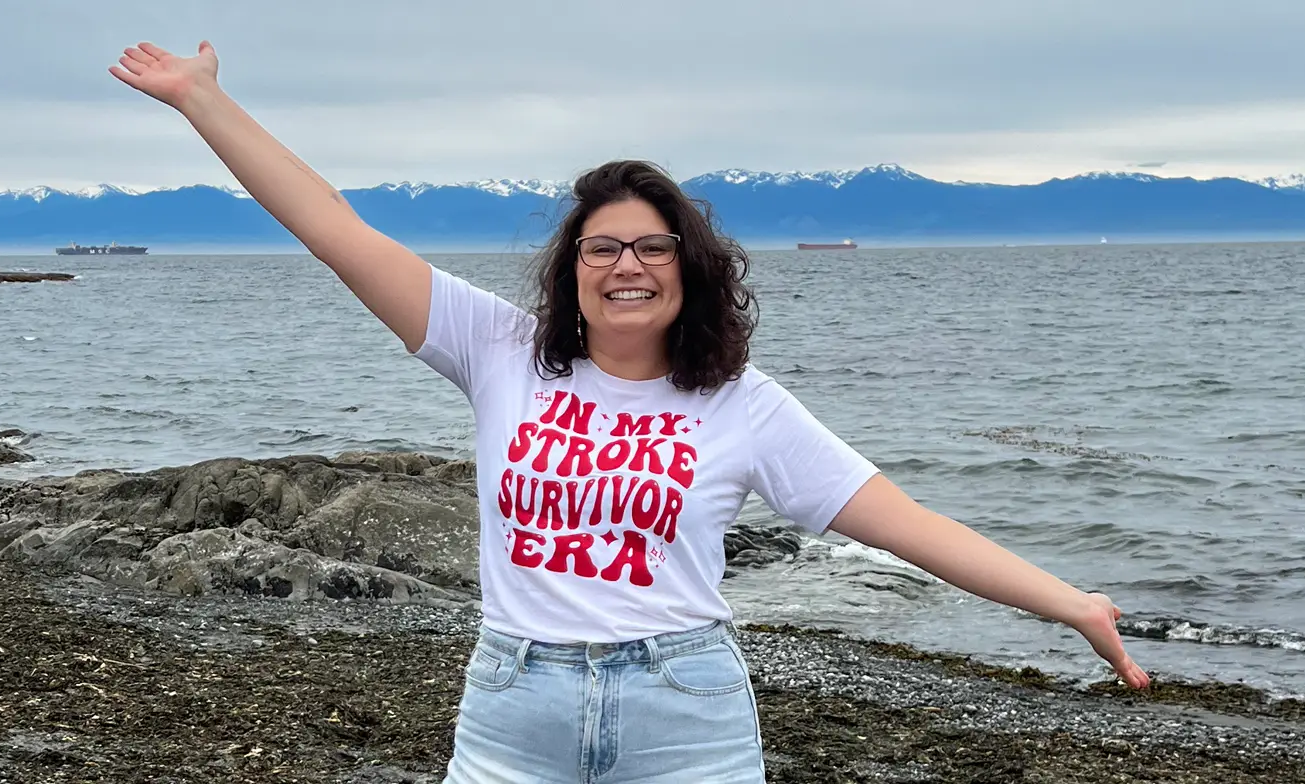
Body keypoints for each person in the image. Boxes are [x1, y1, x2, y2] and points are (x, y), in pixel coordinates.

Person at [110, 41, 1151, 783]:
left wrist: (1069, 603)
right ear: (571, 272)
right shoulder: (498, 350)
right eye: (602, 247)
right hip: (513, 702)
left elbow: (910, 524)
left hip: (684, 710)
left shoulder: (742, 406)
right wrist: (202, 100)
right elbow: (333, 227)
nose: (626, 265)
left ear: (689, 271)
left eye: (652, 247)